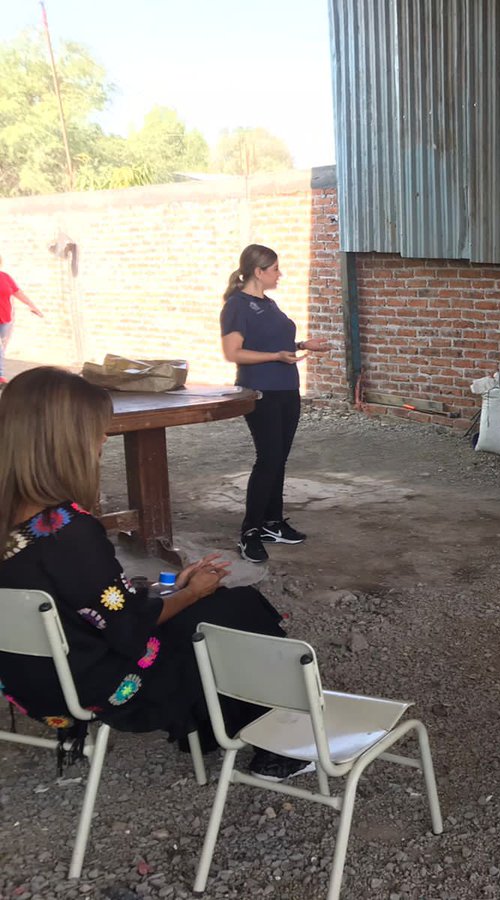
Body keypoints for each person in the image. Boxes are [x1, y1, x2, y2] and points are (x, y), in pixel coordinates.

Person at [0, 368, 308, 780]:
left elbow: (84, 601)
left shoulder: (16, 520)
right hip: (93, 686)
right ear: (63, 442)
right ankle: (277, 745)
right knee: (234, 611)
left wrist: (168, 593)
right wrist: (191, 593)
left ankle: (221, 727)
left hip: (26, 680)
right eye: (96, 429)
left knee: (213, 606)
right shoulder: (67, 529)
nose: (103, 439)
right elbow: (126, 630)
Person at [220, 244, 331, 563]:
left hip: (286, 387)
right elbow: (233, 353)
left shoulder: (268, 304)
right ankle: (249, 532)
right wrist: (275, 356)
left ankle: (271, 522)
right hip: (260, 390)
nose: (279, 274)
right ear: (258, 271)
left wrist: (301, 345)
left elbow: (273, 342)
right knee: (267, 458)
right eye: (275, 269)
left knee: (279, 458)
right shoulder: (236, 306)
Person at [0, 254, 45, 385]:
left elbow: (17, 292)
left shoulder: (5, 277)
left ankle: (0, 376)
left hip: (5, 319)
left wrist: (32, 305)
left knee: (1, 348)